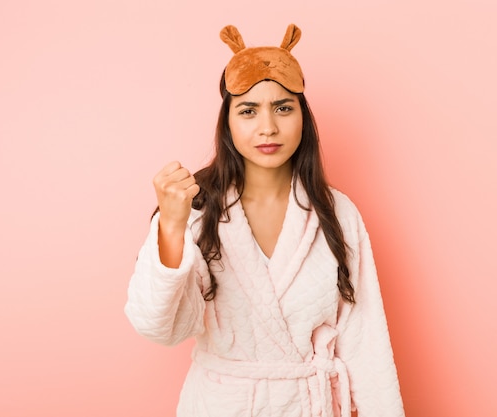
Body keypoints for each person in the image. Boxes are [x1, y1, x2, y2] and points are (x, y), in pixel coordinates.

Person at [125, 24, 405, 417]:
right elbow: (161, 327)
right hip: (223, 406)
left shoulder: (338, 213)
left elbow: (366, 342)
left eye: (283, 107)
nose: (268, 127)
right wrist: (170, 228)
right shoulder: (198, 209)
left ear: (302, 117)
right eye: (248, 110)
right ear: (228, 123)